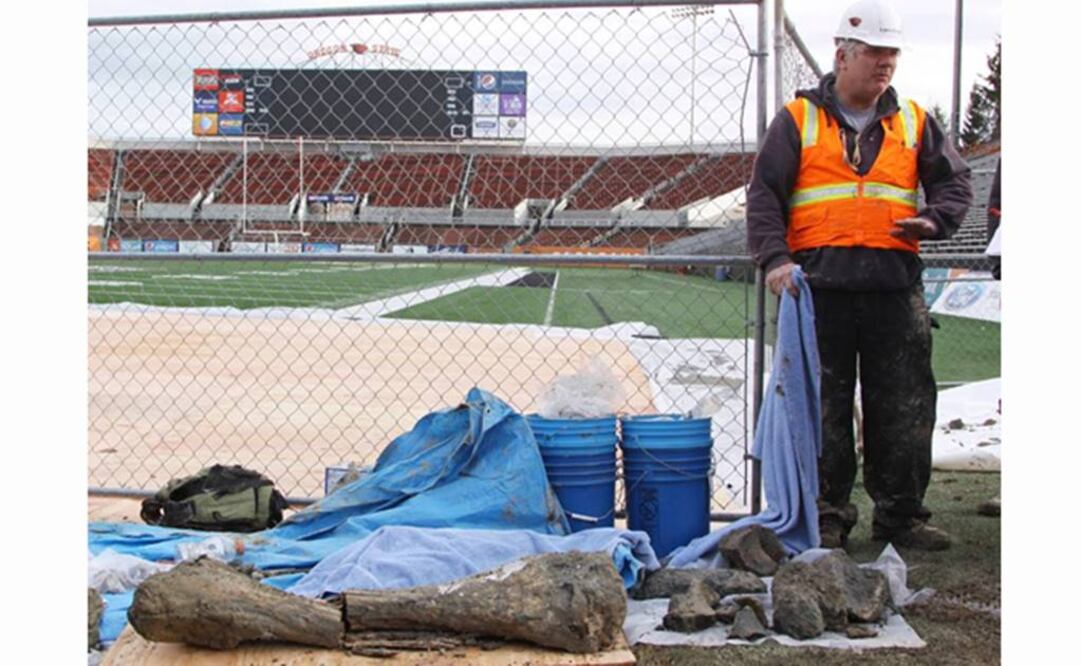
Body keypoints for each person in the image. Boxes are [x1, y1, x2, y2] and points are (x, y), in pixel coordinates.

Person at [746, 0, 973, 551]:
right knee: (822, 409)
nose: (885, 63)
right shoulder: (797, 120)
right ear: (842, 56)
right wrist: (776, 260)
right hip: (817, 292)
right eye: (874, 52)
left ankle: (900, 518)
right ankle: (827, 515)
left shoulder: (915, 121)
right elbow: (764, 197)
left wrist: (935, 219)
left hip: (894, 288)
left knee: (904, 405)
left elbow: (955, 185)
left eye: (891, 53)